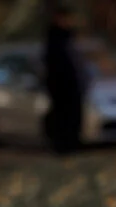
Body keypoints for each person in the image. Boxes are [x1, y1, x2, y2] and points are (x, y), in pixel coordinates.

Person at [42, 4, 84, 154]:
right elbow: (55, 66)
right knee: (64, 117)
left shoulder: (67, 39)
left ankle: (70, 143)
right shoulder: (56, 41)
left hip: (70, 87)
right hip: (62, 88)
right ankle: (64, 144)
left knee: (71, 117)